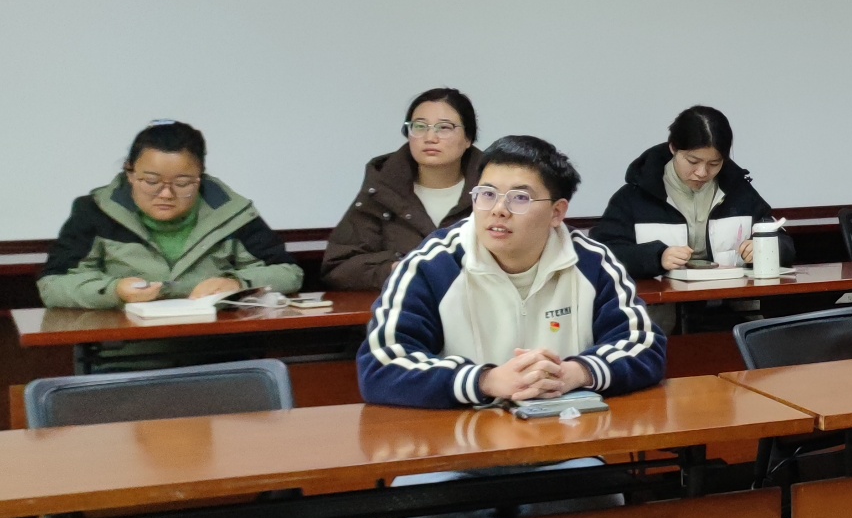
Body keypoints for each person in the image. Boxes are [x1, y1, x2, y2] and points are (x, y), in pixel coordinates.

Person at [359, 134, 664, 407]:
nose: (498, 210)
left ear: (557, 212)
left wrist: (574, 373)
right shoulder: (433, 264)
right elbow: (381, 365)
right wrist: (486, 381)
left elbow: (644, 346)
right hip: (461, 439)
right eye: (487, 194)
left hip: (565, 432)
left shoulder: (592, 262)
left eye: (520, 198)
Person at [39, 121, 304, 308]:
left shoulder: (231, 212)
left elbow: (288, 273)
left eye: (183, 183)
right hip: (124, 353)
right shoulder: (95, 212)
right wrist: (115, 291)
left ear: (200, 177)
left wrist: (237, 284)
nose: (166, 194)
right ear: (129, 173)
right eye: (151, 181)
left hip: (218, 347)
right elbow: (53, 285)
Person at [589, 106, 780, 282]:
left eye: (714, 164)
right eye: (692, 161)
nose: (702, 172)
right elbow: (602, 252)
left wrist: (765, 247)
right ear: (673, 148)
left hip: (732, 301)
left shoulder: (740, 192)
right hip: (660, 305)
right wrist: (656, 257)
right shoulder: (635, 196)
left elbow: (783, 240)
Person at [323, 88, 480, 289]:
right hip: (405, 305)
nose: (430, 137)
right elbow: (338, 267)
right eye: (419, 126)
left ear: (468, 138)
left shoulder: (495, 191)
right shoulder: (383, 190)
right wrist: (398, 269)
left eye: (444, 127)